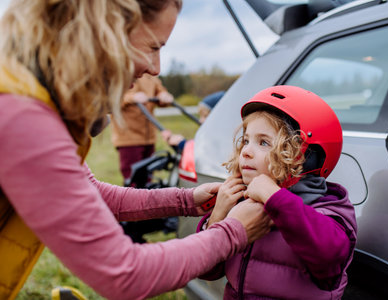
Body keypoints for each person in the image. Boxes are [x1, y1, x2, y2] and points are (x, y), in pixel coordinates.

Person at [0, 1, 272, 300]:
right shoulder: (22, 119)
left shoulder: (28, 101)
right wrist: (234, 232)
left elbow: (94, 195)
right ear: (104, 33)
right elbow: (126, 275)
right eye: (153, 47)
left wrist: (186, 200)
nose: (155, 68)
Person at [197, 85, 357, 299]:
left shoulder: (326, 209)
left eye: (263, 142)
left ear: (305, 156)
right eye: (246, 140)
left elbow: (329, 261)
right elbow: (207, 271)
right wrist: (218, 216)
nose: (246, 151)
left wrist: (274, 198)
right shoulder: (241, 202)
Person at [111, 74, 174, 183]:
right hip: (129, 138)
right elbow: (111, 98)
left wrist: (164, 95)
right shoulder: (121, 71)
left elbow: (159, 90)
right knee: (132, 179)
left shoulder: (150, 75)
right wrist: (132, 97)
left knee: (148, 177)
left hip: (149, 137)